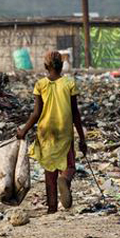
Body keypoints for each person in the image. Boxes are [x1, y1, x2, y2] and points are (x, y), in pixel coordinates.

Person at [17, 51, 87, 213]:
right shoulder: (69, 83)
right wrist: (82, 139)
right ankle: (64, 179)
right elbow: (75, 113)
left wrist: (23, 131)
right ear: (62, 65)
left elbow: (35, 114)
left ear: (45, 66)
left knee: (49, 172)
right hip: (63, 131)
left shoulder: (40, 85)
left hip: (45, 132)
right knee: (69, 167)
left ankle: (52, 208)